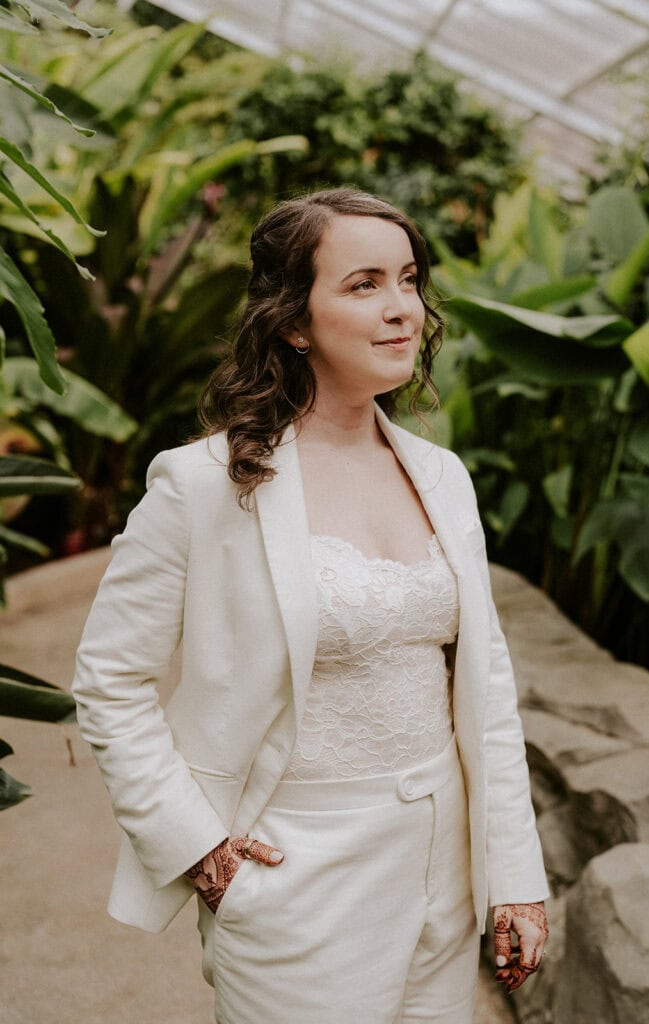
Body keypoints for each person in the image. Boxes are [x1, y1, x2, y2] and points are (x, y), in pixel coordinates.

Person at [72, 187, 549, 1024]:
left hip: (443, 872)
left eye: (407, 279)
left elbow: (486, 689)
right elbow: (110, 680)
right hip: (294, 877)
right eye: (363, 284)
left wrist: (514, 876)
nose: (402, 308)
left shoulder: (442, 477)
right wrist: (198, 848)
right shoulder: (204, 486)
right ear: (293, 322)